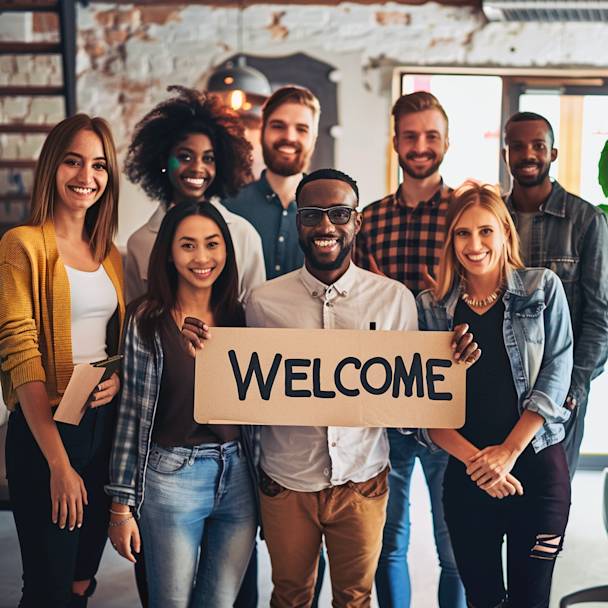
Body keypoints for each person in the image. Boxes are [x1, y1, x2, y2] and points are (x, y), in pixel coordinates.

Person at [245, 168, 478, 608]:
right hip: (287, 479)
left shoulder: (394, 300)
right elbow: (247, 384)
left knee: (355, 598)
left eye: (339, 213)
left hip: (363, 479)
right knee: (290, 597)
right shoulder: (262, 302)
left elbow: (408, 394)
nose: (326, 226)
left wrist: (451, 366)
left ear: (357, 221)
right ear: (298, 220)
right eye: (313, 215)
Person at [418, 182, 573, 607]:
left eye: (486, 231)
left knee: (530, 599)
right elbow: (425, 408)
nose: (475, 244)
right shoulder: (432, 308)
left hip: (537, 472)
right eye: (463, 233)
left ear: (505, 232)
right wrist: (481, 464)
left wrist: (507, 452)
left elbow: (556, 375)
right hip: (468, 480)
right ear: (451, 240)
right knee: (483, 599)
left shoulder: (542, 288)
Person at [106, 201, 258, 608]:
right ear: (169, 254)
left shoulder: (244, 317)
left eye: (212, 244)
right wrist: (121, 506)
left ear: (227, 249)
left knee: (220, 602)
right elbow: (131, 416)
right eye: (187, 246)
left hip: (238, 474)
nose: (202, 258)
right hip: (172, 475)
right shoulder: (146, 320)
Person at [0, 114, 125, 607]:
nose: (85, 176)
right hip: (46, 432)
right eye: (73, 161)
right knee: (49, 587)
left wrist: (113, 380)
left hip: (102, 424)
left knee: (80, 581)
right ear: (52, 166)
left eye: (98, 165)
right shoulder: (22, 245)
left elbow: (111, 341)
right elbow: (20, 355)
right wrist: (58, 461)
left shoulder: (108, 253)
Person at [354, 91, 464, 607]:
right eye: (410, 136)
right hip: (386, 401)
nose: (421, 146)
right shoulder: (368, 220)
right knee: (387, 543)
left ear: (446, 140)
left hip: (451, 400)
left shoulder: (468, 217)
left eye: (431, 135)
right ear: (395, 141)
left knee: (455, 546)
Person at [502, 111, 608, 477]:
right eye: (517, 146)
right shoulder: (491, 220)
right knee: (497, 497)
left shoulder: (587, 220)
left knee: (550, 504)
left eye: (538, 146)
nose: (528, 154)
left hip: (562, 394)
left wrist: (574, 387)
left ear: (553, 153)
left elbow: (600, 318)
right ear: (506, 154)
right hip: (499, 389)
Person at [124, 85, 265, 303]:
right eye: (185, 156)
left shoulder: (244, 235)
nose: (198, 168)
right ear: (163, 160)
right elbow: (135, 319)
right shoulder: (139, 243)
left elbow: (257, 315)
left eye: (208, 158)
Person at [226, 85, 319, 279]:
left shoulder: (329, 217)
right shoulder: (228, 208)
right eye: (278, 126)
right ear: (262, 131)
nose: (289, 137)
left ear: (314, 138)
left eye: (301, 129)